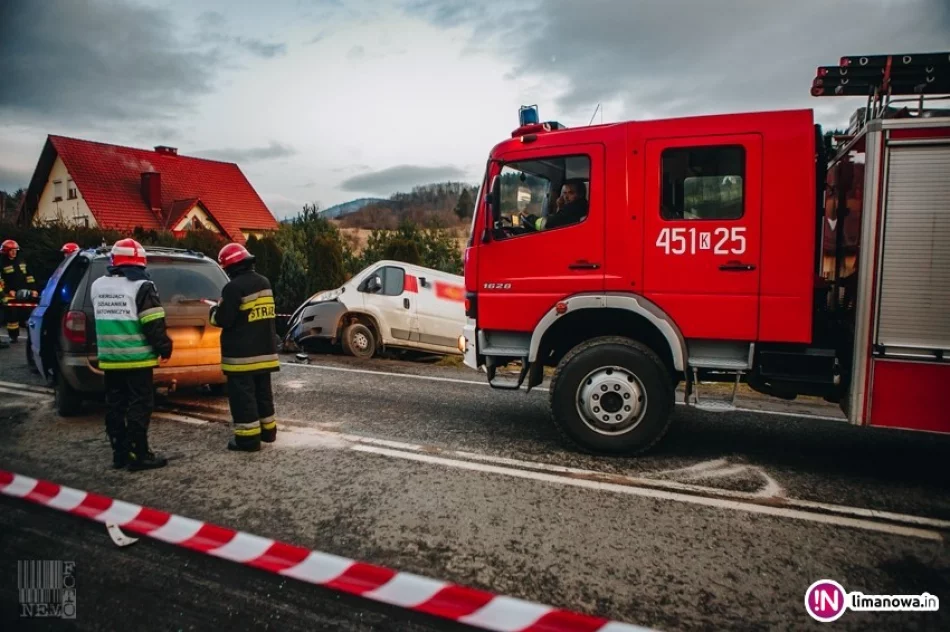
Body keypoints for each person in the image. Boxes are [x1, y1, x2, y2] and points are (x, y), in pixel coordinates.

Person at [90, 238, 172, 471]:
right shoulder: (142, 286)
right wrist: (164, 348)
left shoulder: (98, 285)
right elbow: (153, 322)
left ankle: (120, 453)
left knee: (115, 405)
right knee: (140, 405)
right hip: (137, 358)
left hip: (110, 358)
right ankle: (140, 454)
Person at [210, 243, 280, 452]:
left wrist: (214, 309)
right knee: (263, 394)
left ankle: (248, 441)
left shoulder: (233, 288)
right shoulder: (264, 282)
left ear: (230, 267)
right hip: (265, 352)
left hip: (241, 357)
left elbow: (224, 320)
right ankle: (268, 432)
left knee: (243, 399)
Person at [0, 239, 38, 343]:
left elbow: (29, 276)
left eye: (15, 250)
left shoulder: (21, 260)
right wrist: (8, 291)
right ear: (5, 251)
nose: (14, 252)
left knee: (28, 313)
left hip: (24, 292)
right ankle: (13, 336)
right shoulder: (2, 263)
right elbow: (1, 280)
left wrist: (33, 289)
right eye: (11, 250)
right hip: (10, 294)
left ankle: (32, 335)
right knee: (12, 315)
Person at [520, 180, 589, 231]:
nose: (566, 197)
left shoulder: (574, 208)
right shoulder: (581, 206)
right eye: (565, 193)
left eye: (571, 193)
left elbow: (546, 224)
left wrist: (529, 217)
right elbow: (560, 220)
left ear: (580, 194)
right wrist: (560, 206)